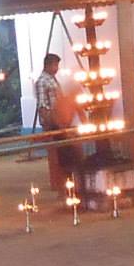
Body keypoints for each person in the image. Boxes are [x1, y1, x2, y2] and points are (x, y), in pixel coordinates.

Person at [33, 52, 80, 191]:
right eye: (55, 65)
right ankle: (61, 183)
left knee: (65, 151)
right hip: (53, 122)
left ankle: (67, 180)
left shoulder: (52, 79)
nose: (57, 68)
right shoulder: (42, 81)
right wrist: (51, 122)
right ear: (49, 65)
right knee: (59, 154)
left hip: (60, 119)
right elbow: (42, 105)